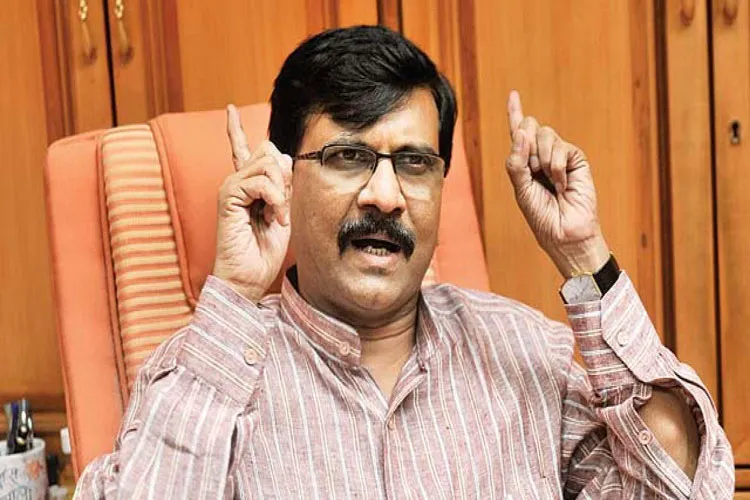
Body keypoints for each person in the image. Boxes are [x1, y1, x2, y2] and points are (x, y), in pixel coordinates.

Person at [76, 25, 734, 498]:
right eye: (348, 156)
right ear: (282, 176)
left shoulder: (529, 356)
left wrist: (581, 253)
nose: (386, 195)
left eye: (415, 163)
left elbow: (677, 483)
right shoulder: (205, 376)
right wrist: (236, 294)